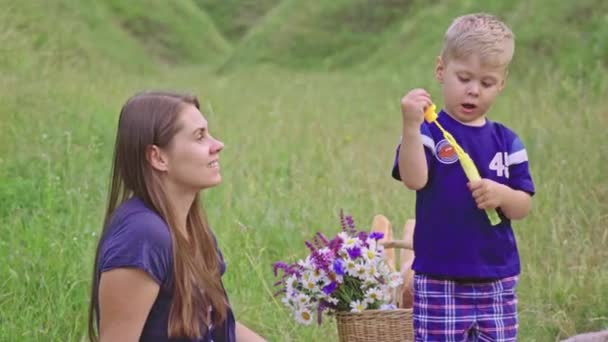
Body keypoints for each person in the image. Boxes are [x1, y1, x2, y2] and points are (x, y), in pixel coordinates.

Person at [389, 13, 535, 341]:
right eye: (464, 78)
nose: (473, 92)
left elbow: (523, 206)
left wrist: (503, 195)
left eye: (486, 83)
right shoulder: (428, 132)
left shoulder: (507, 141)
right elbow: (414, 179)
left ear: (501, 83)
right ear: (441, 71)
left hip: (496, 278)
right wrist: (410, 127)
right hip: (440, 277)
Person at [87, 91, 266, 342]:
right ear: (158, 157)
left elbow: (220, 326)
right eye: (199, 136)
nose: (217, 145)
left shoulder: (192, 230)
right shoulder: (141, 237)